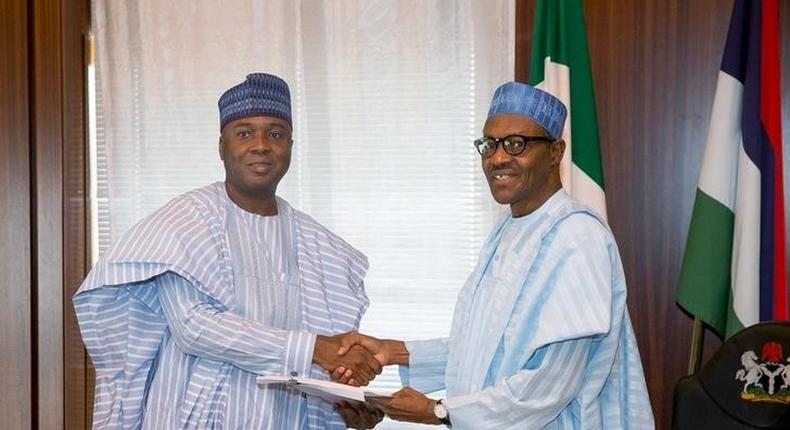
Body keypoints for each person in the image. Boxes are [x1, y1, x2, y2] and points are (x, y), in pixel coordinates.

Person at [73, 73, 384, 430]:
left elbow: (326, 352)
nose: (261, 145)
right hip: (191, 417)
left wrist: (344, 401)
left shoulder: (319, 245)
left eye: (276, 133)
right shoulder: (186, 220)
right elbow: (194, 327)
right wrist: (314, 349)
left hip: (283, 418)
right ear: (221, 146)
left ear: (291, 147)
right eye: (244, 132)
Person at [337, 82, 655, 429]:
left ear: (555, 152)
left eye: (516, 144)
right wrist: (391, 351)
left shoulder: (579, 237)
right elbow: (486, 351)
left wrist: (440, 411)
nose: (498, 158)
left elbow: (550, 383)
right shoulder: (508, 229)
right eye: (489, 145)